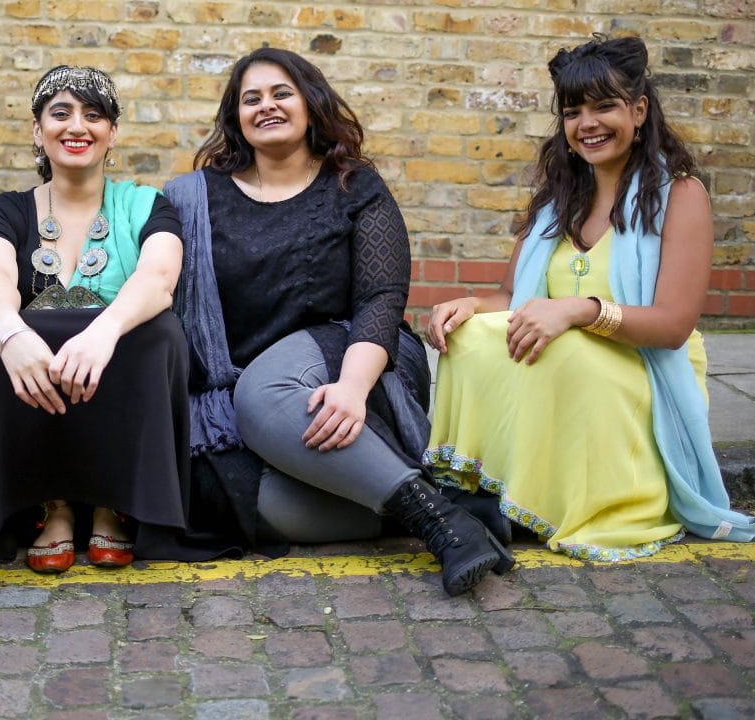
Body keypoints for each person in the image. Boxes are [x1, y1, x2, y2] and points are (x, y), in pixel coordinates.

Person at [163, 48, 513, 597]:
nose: (267, 106)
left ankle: (437, 525)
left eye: (281, 93)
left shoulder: (355, 188)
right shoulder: (194, 198)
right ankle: (452, 512)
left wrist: (351, 387)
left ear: (310, 103)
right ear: (235, 116)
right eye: (250, 98)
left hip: (356, 363)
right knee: (237, 499)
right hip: (240, 397)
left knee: (267, 389)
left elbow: (381, 299)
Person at [423, 34, 755, 561]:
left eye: (605, 106)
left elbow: (673, 325)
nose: (588, 124)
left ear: (640, 110)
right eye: (574, 111)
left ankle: (590, 503)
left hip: (642, 364)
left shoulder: (681, 195)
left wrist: (581, 310)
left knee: (570, 349)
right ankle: (487, 489)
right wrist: (470, 305)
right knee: (469, 338)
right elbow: (514, 296)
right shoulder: (558, 198)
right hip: (572, 350)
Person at [0, 65, 189, 573]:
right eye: (59, 113)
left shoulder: (148, 204)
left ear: (113, 132)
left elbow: (159, 278)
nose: (77, 127)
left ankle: (115, 504)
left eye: (94, 115)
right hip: (39, 359)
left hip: (121, 353)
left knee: (159, 334)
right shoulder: (5, 210)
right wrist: (10, 331)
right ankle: (54, 504)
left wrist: (104, 331)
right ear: (37, 130)